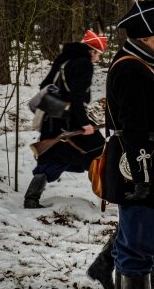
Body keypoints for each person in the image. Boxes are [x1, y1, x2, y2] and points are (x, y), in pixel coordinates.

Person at [86, 6, 154, 289]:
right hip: (137, 168)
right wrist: (141, 176)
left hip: (150, 165)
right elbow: (133, 128)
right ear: (145, 37)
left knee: (140, 242)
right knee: (136, 245)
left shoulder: (147, 64)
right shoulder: (131, 68)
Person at [24, 30, 107, 209]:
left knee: (53, 155)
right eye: (98, 54)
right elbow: (77, 98)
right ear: (92, 51)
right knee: (97, 149)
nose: (98, 59)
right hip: (69, 120)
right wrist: (85, 123)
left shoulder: (64, 59)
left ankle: (32, 198)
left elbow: (45, 85)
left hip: (51, 117)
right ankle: (106, 192)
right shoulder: (84, 64)